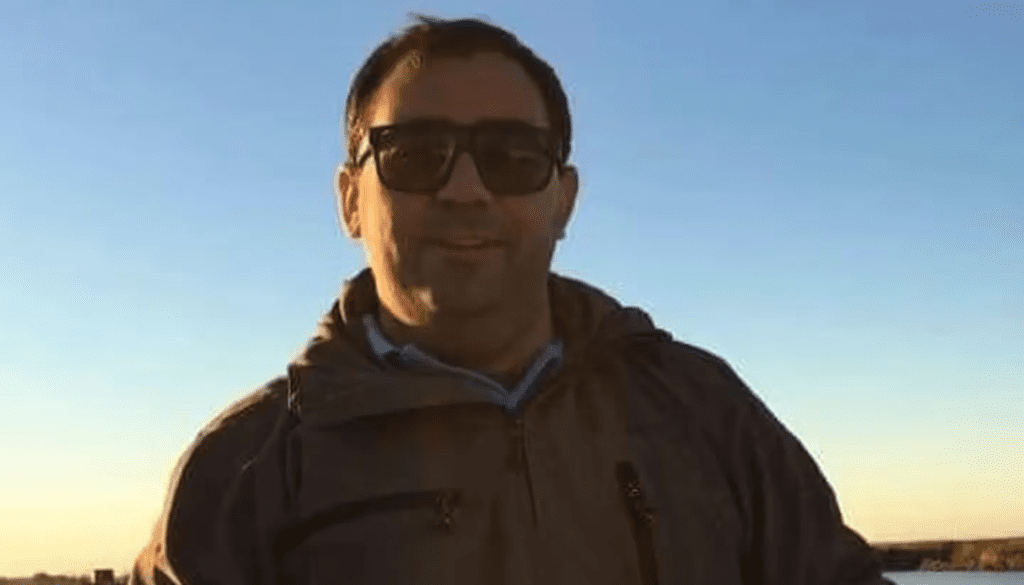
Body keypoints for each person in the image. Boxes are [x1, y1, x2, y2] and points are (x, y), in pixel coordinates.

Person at [129, 13, 896, 585]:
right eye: (416, 154)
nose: (466, 190)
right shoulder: (248, 471)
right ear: (350, 199)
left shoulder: (703, 412)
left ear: (564, 199)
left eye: (511, 156)